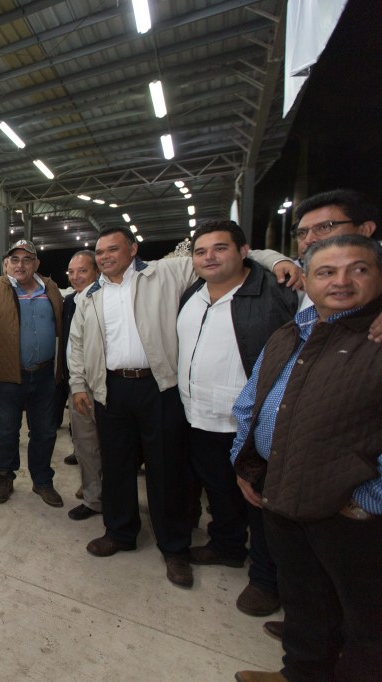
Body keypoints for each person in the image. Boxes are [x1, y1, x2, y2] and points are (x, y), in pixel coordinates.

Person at [69, 226, 299, 588]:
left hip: (159, 386)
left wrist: (279, 259)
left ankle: (174, 547)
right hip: (110, 388)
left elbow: (224, 260)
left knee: (166, 469)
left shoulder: (166, 272)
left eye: (113, 249)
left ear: (133, 249)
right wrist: (78, 384)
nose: (105, 257)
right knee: (115, 465)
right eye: (99, 252)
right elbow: (77, 342)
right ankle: (120, 532)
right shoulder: (90, 295)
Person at [232, 235, 382, 682]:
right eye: (326, 272)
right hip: (281, 489)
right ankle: (300, 673)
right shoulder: (291, 332)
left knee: (365, 618)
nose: (341, 282)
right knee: (303, 597)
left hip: (349, 510)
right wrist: (245, 462)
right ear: (307, 280)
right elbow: (252, 400)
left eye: (358, 269)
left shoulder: (375, 339)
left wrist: (368, 498)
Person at [177, 221, 296, 616]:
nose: (209, 257)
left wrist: (277, 259)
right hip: (199, 415)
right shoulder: (193, 294)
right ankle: (226, 546)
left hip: (249, 422)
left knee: (258, 501)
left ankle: (266, 579)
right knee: (219, 489)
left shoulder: (275, 292)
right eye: (201, 251)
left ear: (244, 251)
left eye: (220, 248)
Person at [0, 239, 64, 507]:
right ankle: (5, 477)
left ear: (36, 263)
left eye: (26, 259)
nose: (20, 265)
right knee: (7, 432)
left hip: (45, 375)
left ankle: (42, 481)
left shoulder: (50, 288)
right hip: (6, 377)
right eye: (14, 260)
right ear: (5, 264)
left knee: (45, 432)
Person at [60, 250, 102, 520]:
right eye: (71, 272)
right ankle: (93, 495)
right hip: (77, 385)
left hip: (104, 384)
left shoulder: (105, 299)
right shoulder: (70, 302)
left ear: (97, 272)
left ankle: (109, 494)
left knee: (109, 445)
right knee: (85, 444)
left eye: (83, 271)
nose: (76, 277)